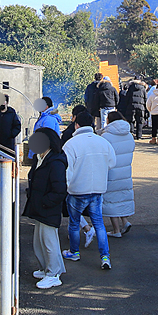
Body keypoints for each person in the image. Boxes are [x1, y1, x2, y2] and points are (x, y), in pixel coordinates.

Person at [62, 112, 116, 270]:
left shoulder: (71, 144)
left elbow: (67, 169)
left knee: (73, 223)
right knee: (99, 224)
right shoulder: (103, 142)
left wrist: (66, 186)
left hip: (76, 190)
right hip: (97, 190)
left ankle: (74, 252)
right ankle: (105, 256)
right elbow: (112, 162)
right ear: (92, 124)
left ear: (76, 125)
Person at [22, 127, 68, 289]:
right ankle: (48, 269)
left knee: (49, 242)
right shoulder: (40, 158)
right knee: (40, 242)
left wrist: (44, 202)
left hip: (48, 208)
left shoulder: (55, 162)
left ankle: (53, 274)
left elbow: (59, 190)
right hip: (41, 207)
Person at [101, 111, 135, 237]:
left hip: (111, 173)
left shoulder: (106, 137)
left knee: (111, 201)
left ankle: (116, 230)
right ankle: (124, 221)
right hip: (125, 172)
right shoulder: (129, 135)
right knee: (121, 198)